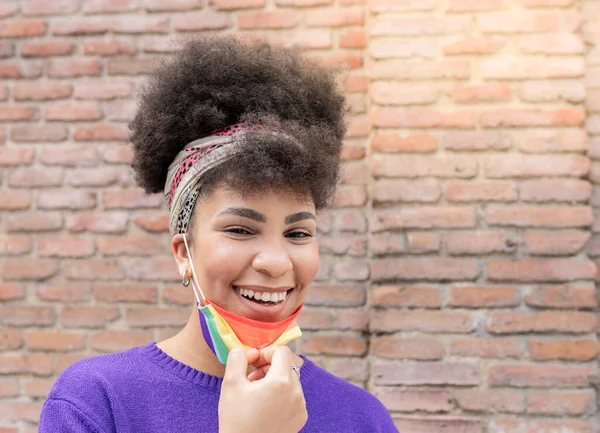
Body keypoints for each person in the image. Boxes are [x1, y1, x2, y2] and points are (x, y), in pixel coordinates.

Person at [38, 35, 398, 433]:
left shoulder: (363, 417)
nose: (277, 262)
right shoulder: (96, 401)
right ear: (182, 253)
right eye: (241, 229)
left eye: (297, 233)